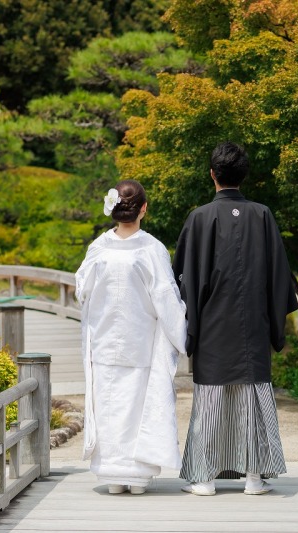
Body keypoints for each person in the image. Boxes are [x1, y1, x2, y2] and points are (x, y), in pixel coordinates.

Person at [173, 141, 298, 496]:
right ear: (243, 176)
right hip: (254, 323)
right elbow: (279, 277)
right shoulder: (262, 215)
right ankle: (254, 478)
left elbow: (183, 278)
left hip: (212, 324)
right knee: (252, 397)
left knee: (210, 400)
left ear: (212, 174)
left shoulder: (199, 218)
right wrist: (275, 325)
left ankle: (204, 479)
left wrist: (188, 327)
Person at [75, 179, 187, 495]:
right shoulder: (152, 249)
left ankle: (113, 476)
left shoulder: (98, 248)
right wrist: (184, 335)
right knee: (139, 407)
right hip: (141, 340)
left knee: (109, 404)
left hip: (105, 341)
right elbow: (166, 298)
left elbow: (82, 291)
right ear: (143, 209)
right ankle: (137, 477)